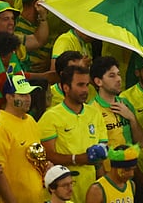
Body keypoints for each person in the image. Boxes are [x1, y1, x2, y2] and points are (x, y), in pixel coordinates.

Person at [38, 64, 110, 203]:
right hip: (62, 190)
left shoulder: (95, 114)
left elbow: (102, 149)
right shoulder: (50, 117)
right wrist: (77, 159)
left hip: (90, 188)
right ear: (66, 88)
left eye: (87, 85)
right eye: (80, 85)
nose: (85, 90)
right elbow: (48, 155)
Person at [0, 74, 44, 203]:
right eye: (22, 95)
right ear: (9, 97)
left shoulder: (31, 121)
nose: (28, 99)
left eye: (29, 94)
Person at [90, 56, 143, 152]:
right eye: (112, 76)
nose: (118, 79)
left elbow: (141, 143)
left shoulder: (125, 103)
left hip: (130, 164)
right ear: (98, 81)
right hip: (109, 165)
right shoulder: (91, 109)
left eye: (119, 74)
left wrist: (132, 118)